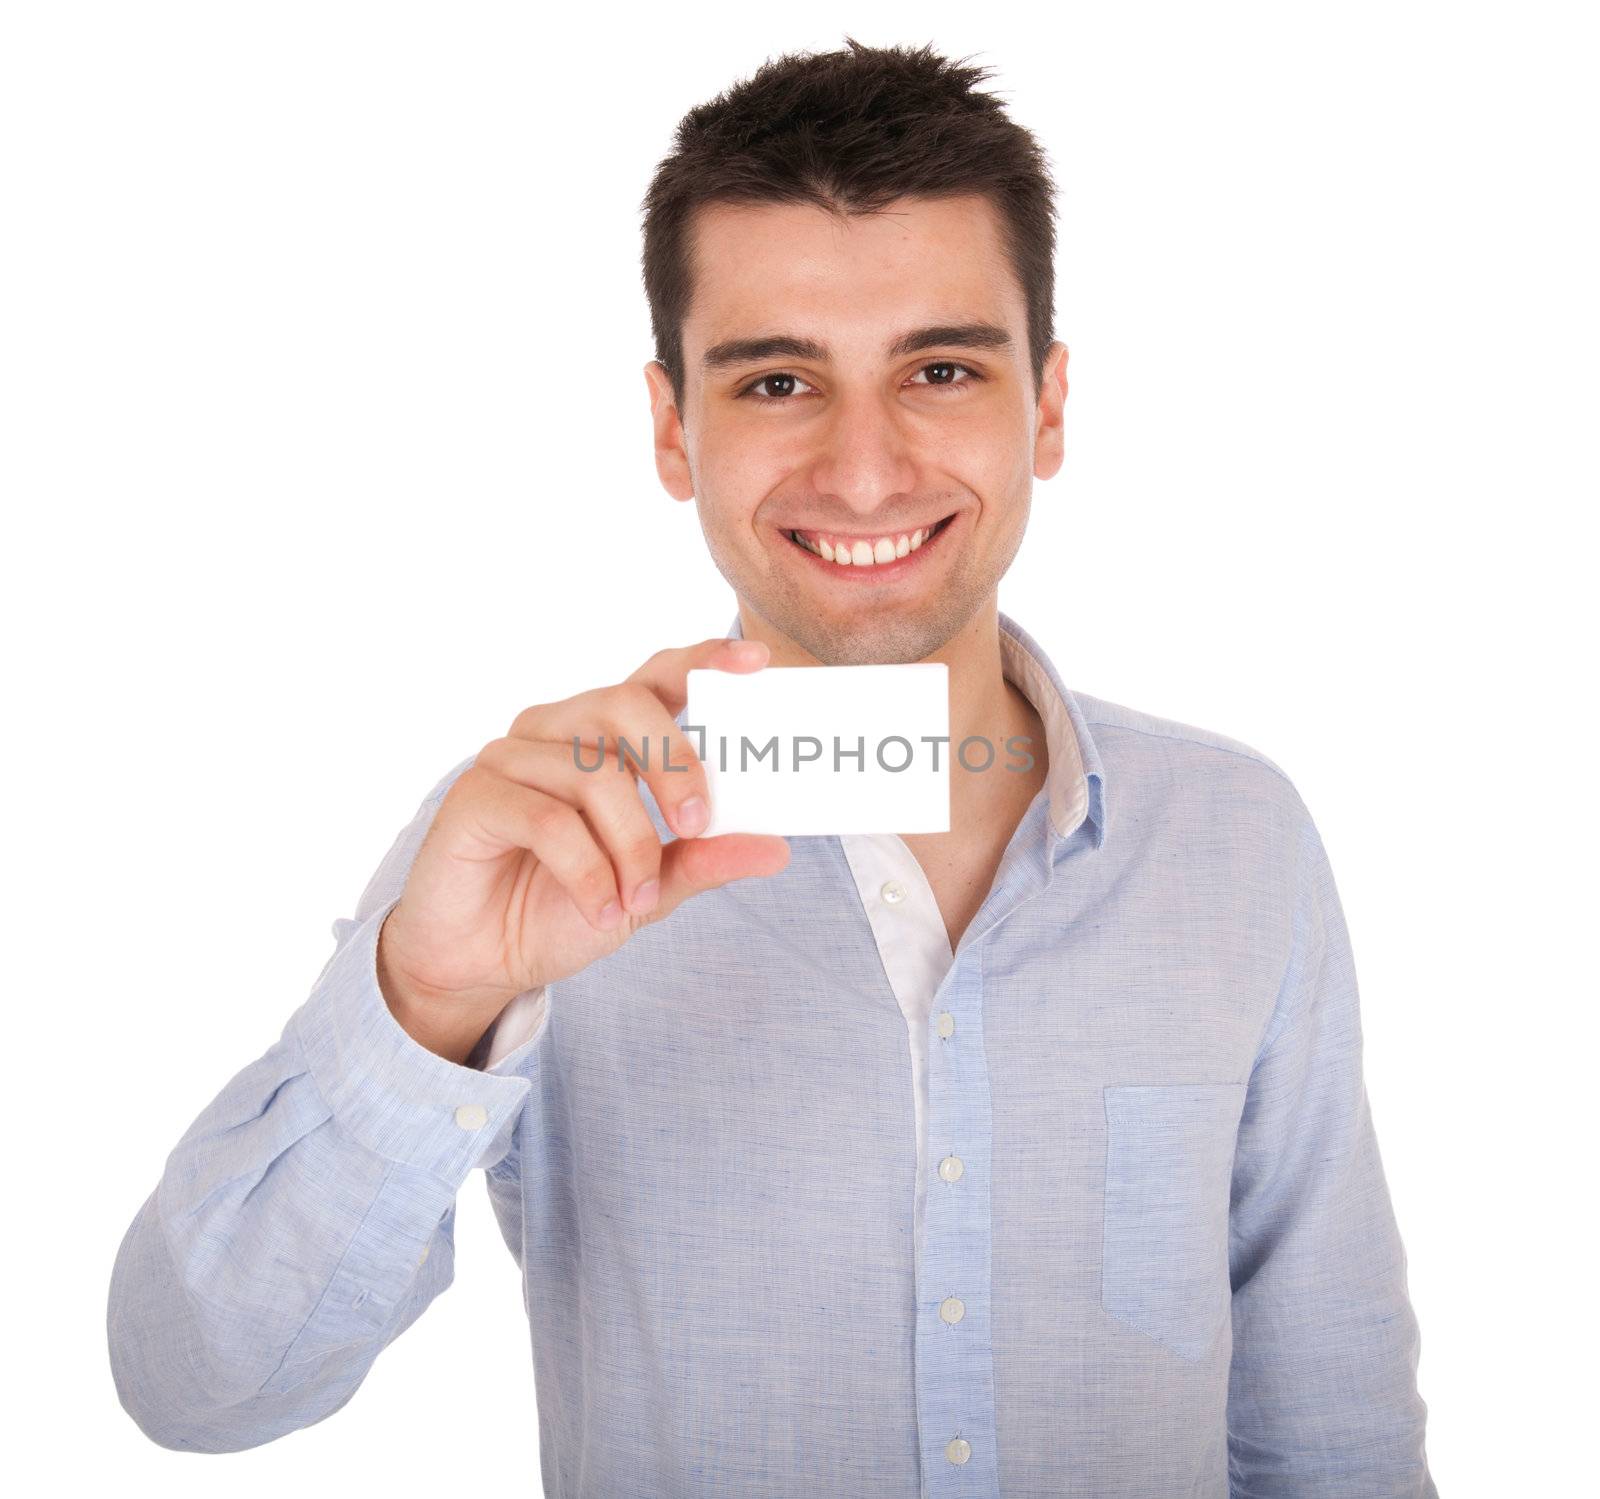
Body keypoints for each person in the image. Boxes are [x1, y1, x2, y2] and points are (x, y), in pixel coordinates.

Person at [106, 36, 1436, 1497]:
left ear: (1047, 408)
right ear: (674, 429)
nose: (865, 472)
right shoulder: (536, 849)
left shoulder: (1236, 841)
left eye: (940, 368)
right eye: (777, 382)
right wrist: (428, 1008)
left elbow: (1334, 1438)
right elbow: (196, 1386)